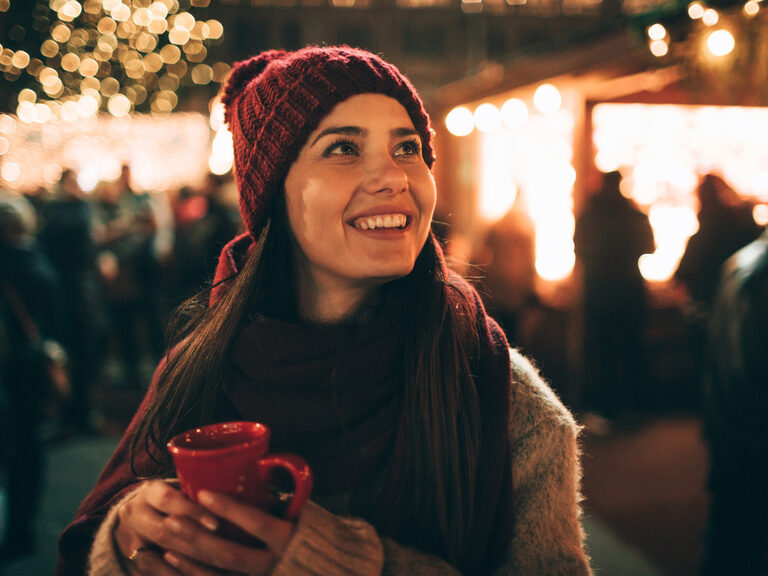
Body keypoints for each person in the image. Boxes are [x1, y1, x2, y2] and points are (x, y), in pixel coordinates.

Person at [56, 46, 591, 576]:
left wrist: (351, 563)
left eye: (407, 148)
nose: (394, 177)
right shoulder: (199, 366)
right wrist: (128, 541)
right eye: (343, 149)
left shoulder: (502, 397)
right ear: (273, 194)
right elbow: (90, 549)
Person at [700, 228, 768, 576]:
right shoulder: (760, 274)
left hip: (731, 429)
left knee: (729, 541)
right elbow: (751, 370)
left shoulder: (742, 264)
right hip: (752, 436)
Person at [0, 192, 65, 560]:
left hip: (11, 369)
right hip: (26, 368)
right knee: (27, 448)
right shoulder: (35, 263)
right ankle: (21, 528)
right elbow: (56, 320)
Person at [574, 170, 654, 420]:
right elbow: (650, 247)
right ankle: (638, 406)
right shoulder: (634, 214)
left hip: (599, 292)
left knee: (602, 351)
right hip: (630, 290)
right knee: (633, 349)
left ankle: (605, 408)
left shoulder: (589, 215)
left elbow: (579, 249)